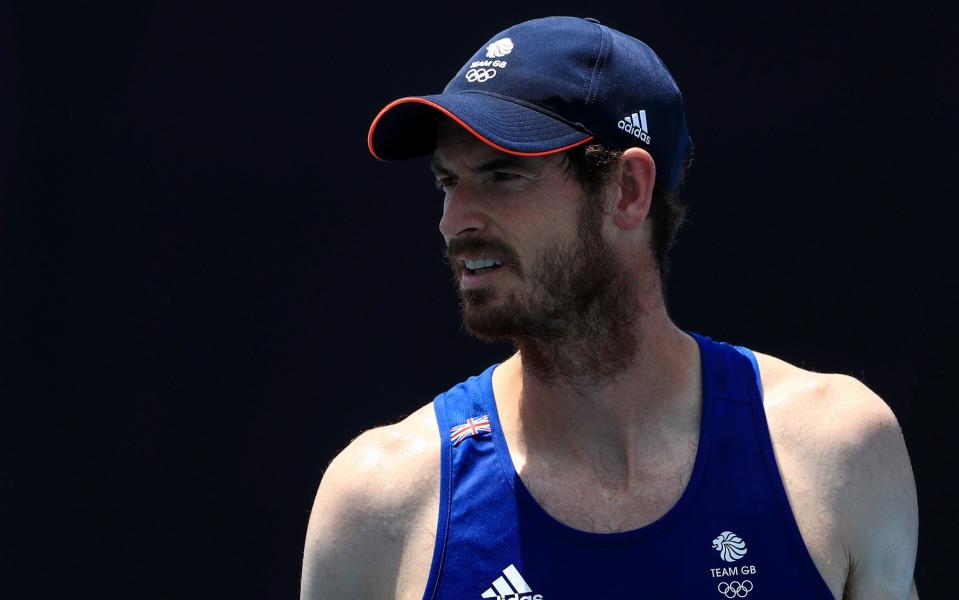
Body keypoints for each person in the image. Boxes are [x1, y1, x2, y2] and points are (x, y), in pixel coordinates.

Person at [301, 16, 918, 600]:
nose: (453, 220)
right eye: (447, 182)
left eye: (503, 175)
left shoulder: (838, 451)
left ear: (627, 191)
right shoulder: (381, 501)